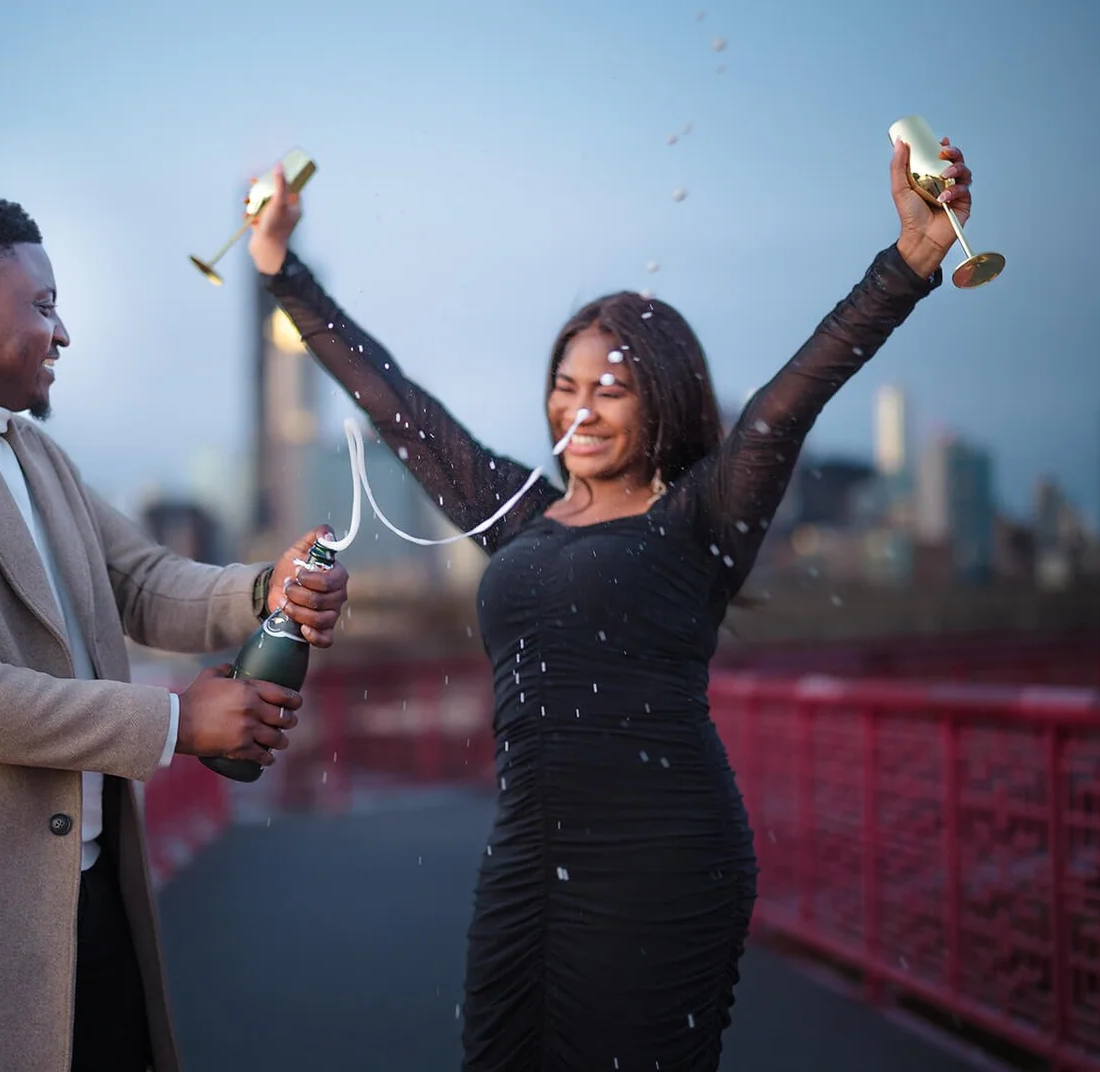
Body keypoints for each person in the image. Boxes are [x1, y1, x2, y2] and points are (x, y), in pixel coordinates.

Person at [245, 135, 975, 1070]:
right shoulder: (516, 511)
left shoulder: (703, 510)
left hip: (662, 865)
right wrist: (277, 266)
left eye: (611, 389)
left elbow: (788, 404)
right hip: (524, 869)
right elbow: (396, 402)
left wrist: (910, 261)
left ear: (661, 400)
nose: (578, 411)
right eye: (564, 385)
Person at [0, 184, 350, 1072]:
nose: (63, 334)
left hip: (88, 897)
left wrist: (265, 587)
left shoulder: (31, 449)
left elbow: (140, 581)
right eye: (45, 307)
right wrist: (175, 722)